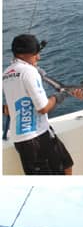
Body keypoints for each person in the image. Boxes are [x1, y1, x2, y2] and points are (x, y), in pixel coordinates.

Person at [2, 34, 74, 175]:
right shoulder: (29, 72)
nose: (38, 57)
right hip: (34, 140)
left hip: (33, 136)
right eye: (36, 54)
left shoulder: (5, 73)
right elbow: (43, 108)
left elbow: (7, 109)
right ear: (24, 55)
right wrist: (60, 96)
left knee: (66, 163)